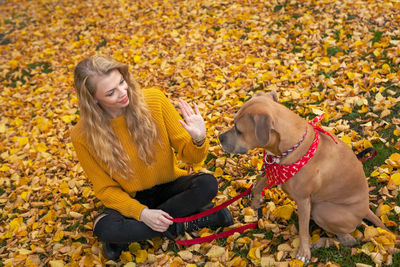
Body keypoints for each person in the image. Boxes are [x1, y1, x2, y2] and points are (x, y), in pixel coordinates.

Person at [71, 55, 233, 260]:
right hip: (130, 198)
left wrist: (199, 139)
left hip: (169, 187)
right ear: (93, 98)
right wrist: (142, 214)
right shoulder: (82, 136)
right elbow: (105, 189)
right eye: (111, 93)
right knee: (104, 228)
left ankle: (131, 234)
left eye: (122, 82)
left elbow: (191, 157)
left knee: (207, 184)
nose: (123, 92)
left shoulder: (154, 100)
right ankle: (189, 222)